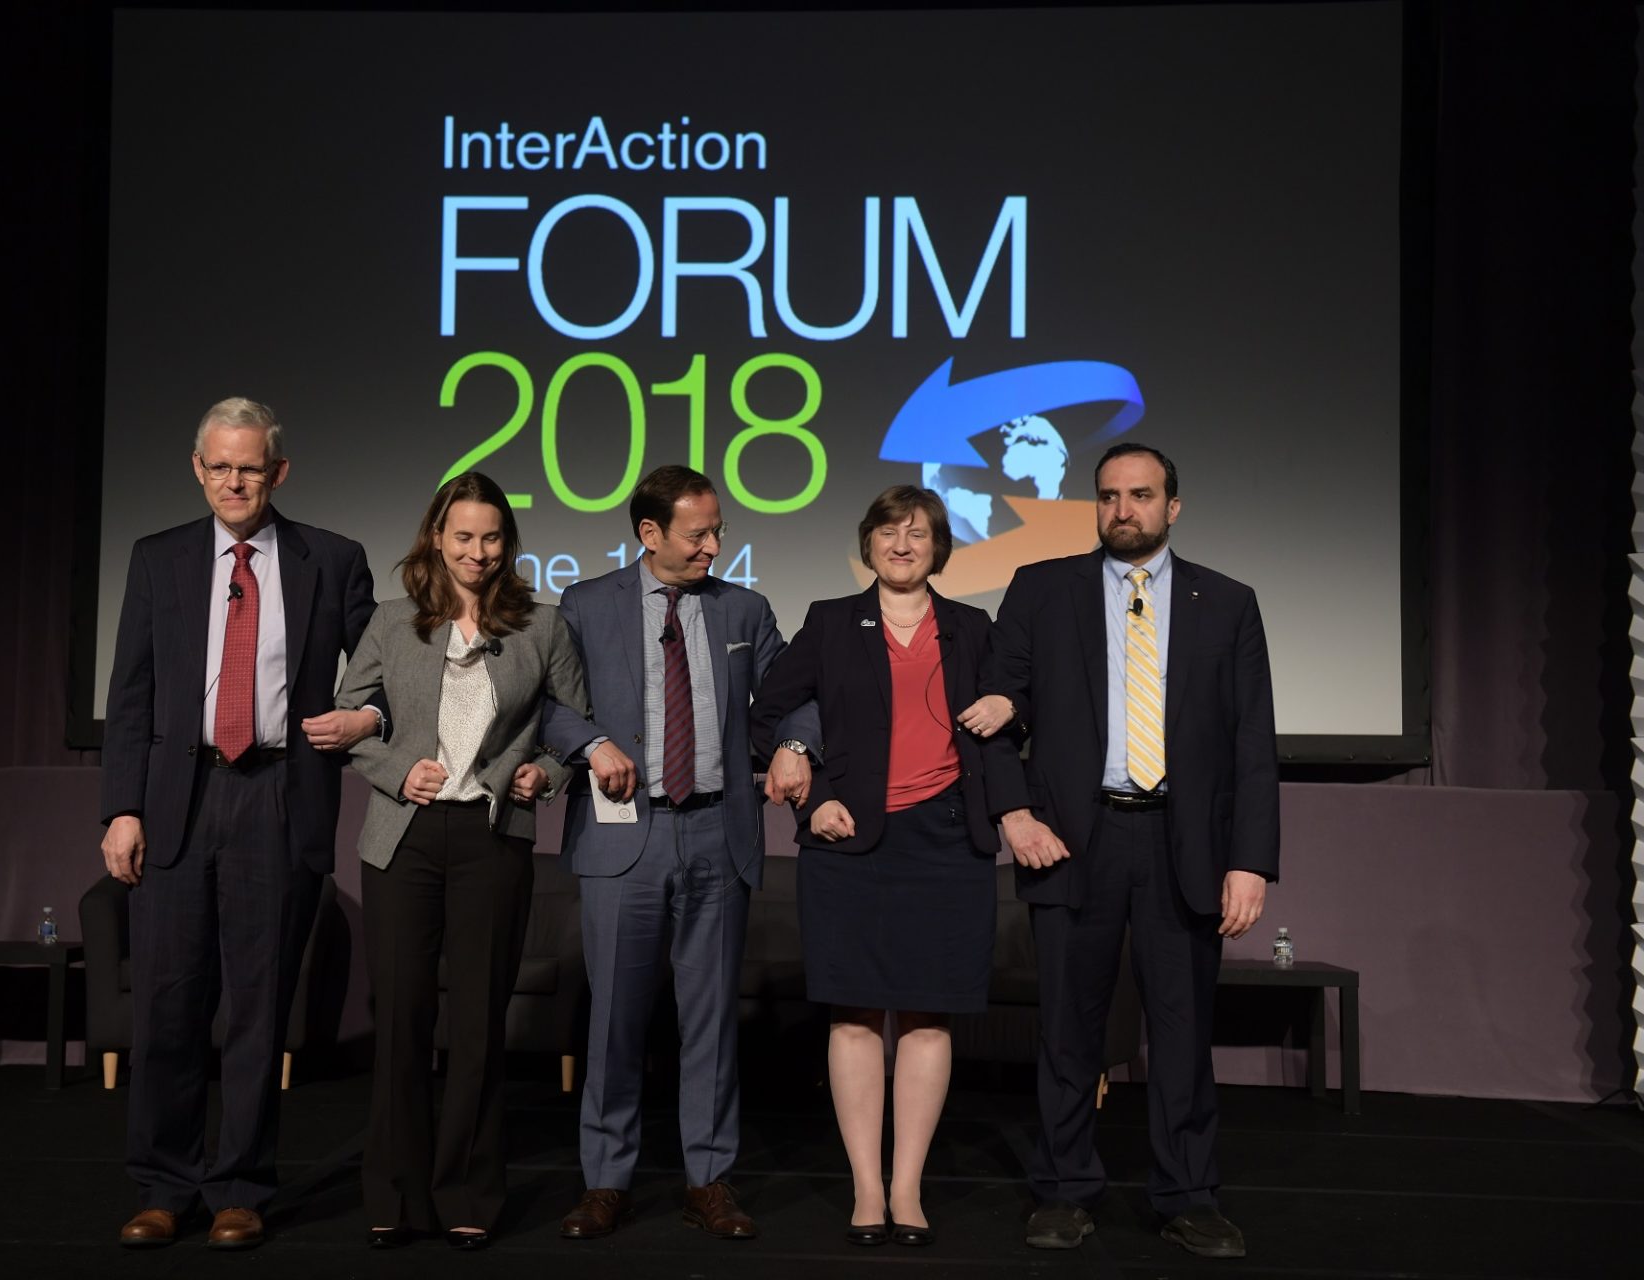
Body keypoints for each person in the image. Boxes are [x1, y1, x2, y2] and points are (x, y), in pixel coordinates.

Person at [100, 397, 377, 1250]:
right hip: (179, 801)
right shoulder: (159, 559)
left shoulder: (331, 559)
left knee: (259, 1009)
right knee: (169, 1007)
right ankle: (164, 1185)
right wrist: (121, 808)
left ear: (277, 472)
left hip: (278, 796)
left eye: (249, 468)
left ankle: (240, 1186)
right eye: (218, 466)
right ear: (197, 468)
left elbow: (383, 668)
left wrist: (365, 720)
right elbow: (132, 695)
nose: (233, 481)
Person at [991, 442, 1277, 1260]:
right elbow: (992, 713)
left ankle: (1189, 1195)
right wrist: (1013, 815)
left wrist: (1250, 859)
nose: (1124, 509)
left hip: (1181, 840)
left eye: (1142, 495)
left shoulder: (1227, 602)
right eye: (1110, 495)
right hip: (1072, 840)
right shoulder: (1044, 589)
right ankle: (1063, 1190)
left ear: (1172, 506)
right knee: (1068, 1028)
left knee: (1182, 1031)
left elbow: (1252, 740)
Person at [540, 464, 817, 1242]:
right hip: (624, 833)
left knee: (710, 1022)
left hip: (714, 835)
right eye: (699, 534)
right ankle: (605, 1181)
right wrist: (590, 743)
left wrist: (796, 742)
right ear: (650, 534)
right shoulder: (587, 605)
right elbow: (551, 703)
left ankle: (708, 1177)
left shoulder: (746, 609)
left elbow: (798, 692)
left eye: (718, 530)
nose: (714, 546)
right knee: (615, 1023)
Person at [748, 485, 1019, 1248]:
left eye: (919, 534)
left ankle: (909, 1188)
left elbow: (999, 728)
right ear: (867, 544)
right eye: (889, 533)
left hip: (946, 841)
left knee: (930, 1015)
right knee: (857, 1013)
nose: (903, 546)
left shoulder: (972, 628)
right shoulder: (831, 621)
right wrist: (813, 800)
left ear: (940, 547)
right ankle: (867, 1189)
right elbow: (771, 716)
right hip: (848, 842)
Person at [327, 472, 588, 1251]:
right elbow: (357, 728)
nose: (478, 552)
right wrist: (395, 768)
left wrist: (548, 772)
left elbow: (574, 728)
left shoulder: (541, 625)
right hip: (403, 839)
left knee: (477, 1023)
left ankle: (468, 1190)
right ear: (436, 538)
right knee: (403, 1018)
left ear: (508, 544)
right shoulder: (392, 622)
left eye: (492, 538)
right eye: (464, 536)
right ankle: (396, 1195)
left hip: (491, 836)